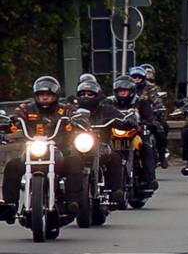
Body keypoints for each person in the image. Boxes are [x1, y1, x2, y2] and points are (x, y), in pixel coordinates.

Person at [0, 76, 86, 224]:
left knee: (76, 162)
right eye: (41, 94)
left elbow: (77, 114)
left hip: (60, 153)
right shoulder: (27, 108)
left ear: (55, 95)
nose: (45, 97)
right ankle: (10, 206)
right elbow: (16, 116)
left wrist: (78, 119)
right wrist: (8, 121)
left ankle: (72, 202)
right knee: (12, 166)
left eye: (48, 94)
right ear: (36, 95)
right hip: (33, 151)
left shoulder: (65, 109)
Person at [73, 79, 128, 206]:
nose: (86, 97)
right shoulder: (72, 111)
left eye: (90, 94)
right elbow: (60, 119)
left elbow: (121, 119)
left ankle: (116, 191)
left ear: (97, 95)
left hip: (102, 147)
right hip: (78, 147)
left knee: (115, 157)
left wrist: (125, 121)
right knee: (66, 159)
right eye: (83, 94)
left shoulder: (106, 109)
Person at [110, 75, 160, 190]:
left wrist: (153, 122)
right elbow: (103, 115)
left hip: (135, 133)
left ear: (131, 91)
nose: (122, 93)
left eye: (125, 91)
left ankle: (150, 179)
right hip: (114, 133)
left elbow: (149, 116)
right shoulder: (110, 102)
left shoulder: (140, 102)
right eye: (120, 91)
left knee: (146, 148)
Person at [130, 65, 169, 168]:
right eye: (134, 77)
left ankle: (162, 154)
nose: (137, 79)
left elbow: (157, 101)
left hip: (148, 116)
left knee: (161, 128)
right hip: (130, 118)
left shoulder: (151, 88)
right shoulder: (126, 88)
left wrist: (157, 108)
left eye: (139, 77)